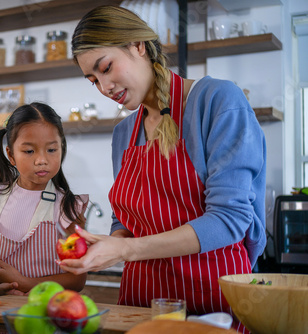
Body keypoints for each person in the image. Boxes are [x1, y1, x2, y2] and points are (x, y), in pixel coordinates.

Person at [58, 5, 266, 332]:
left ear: (137, 45)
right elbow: (123, 219)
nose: (104, 87)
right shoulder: (123, 133)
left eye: (106, 67)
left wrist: (127, 248)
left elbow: (230, 220)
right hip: (141, 303)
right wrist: (110, 246)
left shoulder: (218, 101)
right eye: (93, 80)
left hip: (215, 302)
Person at [0, 102, 88, 296]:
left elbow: (77, 278)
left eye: (51, 150)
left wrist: (23, 282)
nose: (42, 160)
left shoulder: (68, 207)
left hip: (48, 317)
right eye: (29, 151)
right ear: (11, 155)